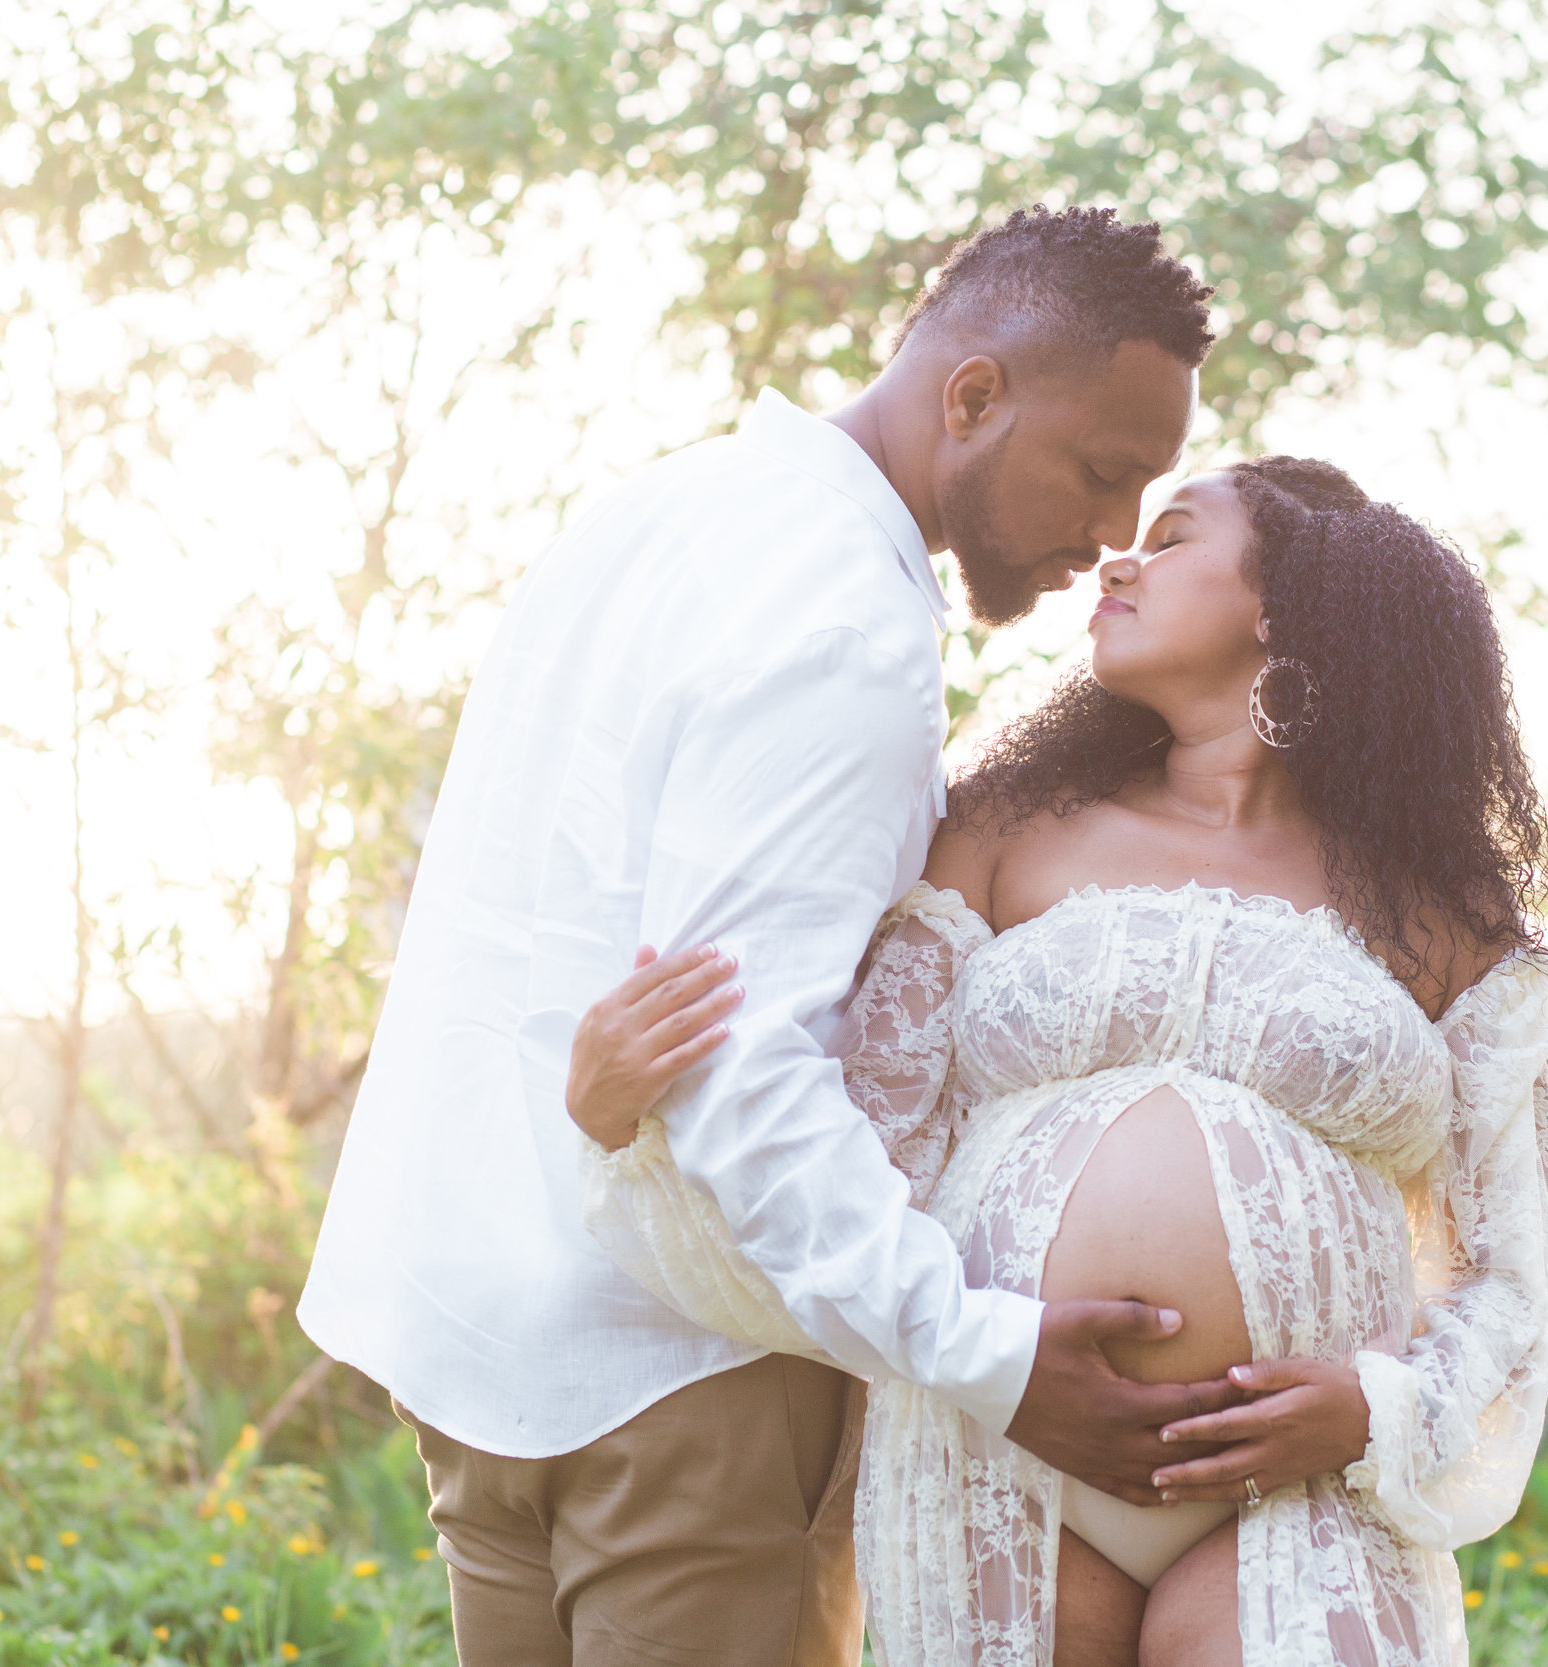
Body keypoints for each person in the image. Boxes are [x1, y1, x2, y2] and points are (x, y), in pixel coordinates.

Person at [296, 205, 1226, 1664]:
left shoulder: (654, 514)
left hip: (482, 1338)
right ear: (974, 393)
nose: (1111, 535)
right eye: (1104, 472)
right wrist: (987, 1355)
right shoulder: (847, 623)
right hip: (683, 1385)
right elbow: (746, 1068)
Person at [568, 460, 1548, 1666]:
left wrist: (1377, 1410)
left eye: (1172, 535)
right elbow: (856, 1146)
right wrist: (629, 1122)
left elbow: (1512, 1266)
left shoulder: (1442, 908)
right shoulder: (1000, 828)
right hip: (994, 1459)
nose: (1117, 558)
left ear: (1285, 606)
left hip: (1313, 1489)